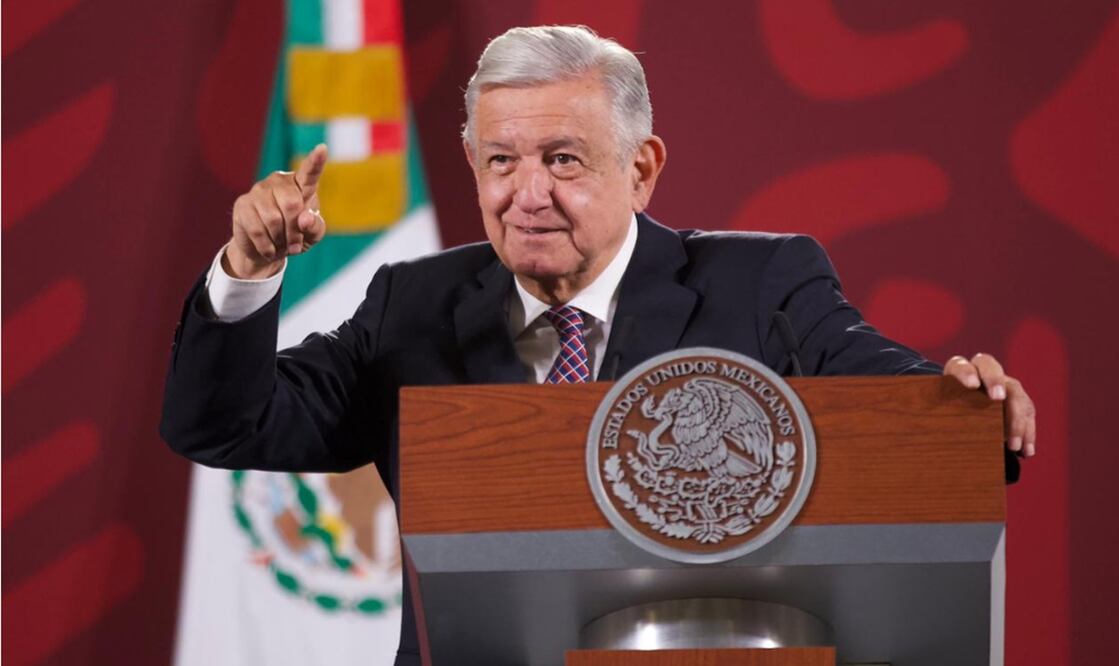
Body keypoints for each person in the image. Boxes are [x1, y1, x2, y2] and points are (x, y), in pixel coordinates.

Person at [161, 25, 1036, 666]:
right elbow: (225, 424)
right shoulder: (411, 307)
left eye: (563, 160)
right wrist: (247, 272)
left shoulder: (759, 285)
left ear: (641, 168)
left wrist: (962, 403)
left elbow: (886, 392)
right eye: (500, 161)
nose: (527, 194)